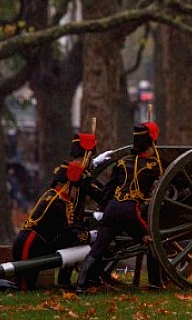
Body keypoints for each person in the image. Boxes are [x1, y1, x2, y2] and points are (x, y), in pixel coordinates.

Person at [76, 121, 164, 293]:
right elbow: (160, 188)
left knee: (98, 247)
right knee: (151, 241)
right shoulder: (153, 166)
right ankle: (155, 284)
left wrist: (102, 209)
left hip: (112, 208)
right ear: (150, 146)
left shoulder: (122, 162)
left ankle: (82, 284)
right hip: (130, 211)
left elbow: (109, 190)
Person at [11, 161, 93, 290]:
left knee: (28, 286)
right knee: (23, 288)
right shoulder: (55, 201)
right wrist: (87, 236)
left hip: (38, 245)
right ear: (67, 185)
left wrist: (86, 231)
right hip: (29, 244)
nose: (76, 191)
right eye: (75, 187)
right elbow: (66, 230)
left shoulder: (60, 199)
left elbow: (70, 225)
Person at [54, 132, 104, 289]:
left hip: (63, 221)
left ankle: (65, 280)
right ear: (86, 155)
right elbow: (100, 195)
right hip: (71, 224)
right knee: (99, 239)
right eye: (90, 157)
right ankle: (89, 279)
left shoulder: (64, 168)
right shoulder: (80, 175)